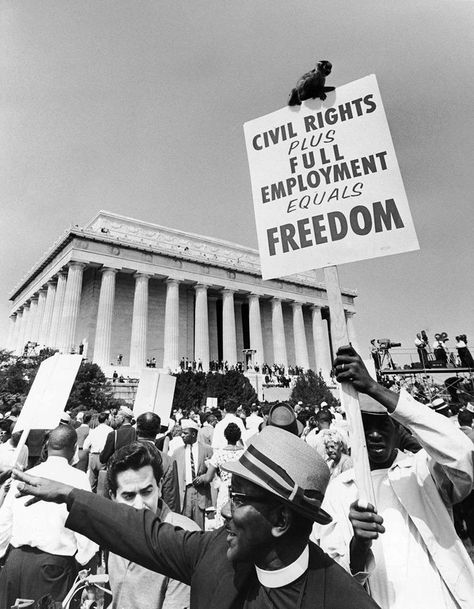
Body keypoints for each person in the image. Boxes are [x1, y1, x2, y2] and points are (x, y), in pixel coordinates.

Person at [13, 425, 380, 609]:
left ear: (281, 519)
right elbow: (148, 534)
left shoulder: (343, 601)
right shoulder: (215, 553)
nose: (222, 510)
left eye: (237, 499)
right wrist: (69, 495)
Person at [316, 346, 474, 609]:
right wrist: (359, 544)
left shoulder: (424, 471)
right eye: (366, 426)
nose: (374, 435)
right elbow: (335, 574)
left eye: (382, 425)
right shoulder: (339, 490)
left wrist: (374, 388)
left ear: (398, 426)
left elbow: (462, 453)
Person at [0, 426, 98, 608]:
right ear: (74, 448)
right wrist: (87, 566)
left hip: (15, 563)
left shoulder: (27, 475)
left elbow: (4, 521)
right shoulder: (78, 479)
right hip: (53, 569)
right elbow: (86, 531)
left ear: (47, 445)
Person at [106, 441, 200, 609]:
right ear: (113, 496)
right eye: (128, 496)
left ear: (160, 486)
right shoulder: (115, 531)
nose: (139, 505)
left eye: (146, 492)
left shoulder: (184, 538)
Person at [194, 422, 245, 527]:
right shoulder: (244, 453)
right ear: (239, 436)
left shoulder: (219, 454)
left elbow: (208, 477)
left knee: (224, 521)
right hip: (241, 489)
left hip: (225, 489)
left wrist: (200, 478)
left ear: (225, 436)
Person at [136, 411, 180, 512]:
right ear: (159, 430)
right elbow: (171, 501)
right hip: (154, 520)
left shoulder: (120, 455)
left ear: (136, 429)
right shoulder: (168, 461)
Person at [173, 419, 213, 528]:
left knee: (199, 525)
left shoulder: (207, 450)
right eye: (182, 433)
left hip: (200, 492)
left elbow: (214, 472)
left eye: (185, 433)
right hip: (184, 492)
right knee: (185, 525)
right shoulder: (177, 452)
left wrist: (204, 477)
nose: (182, 435)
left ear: (194, 434)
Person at [83, 412, 112, 492]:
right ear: (106, 420)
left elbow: (85, 446)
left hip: (93, 456)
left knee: (91, 482)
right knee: (102, 484)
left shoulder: (93, 431)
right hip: (104, 457)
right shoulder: (110, 430)